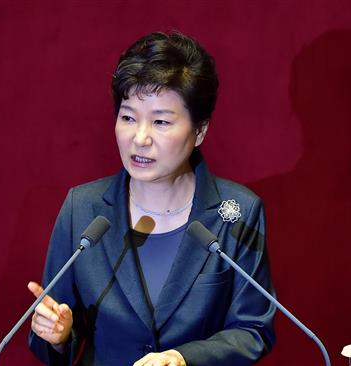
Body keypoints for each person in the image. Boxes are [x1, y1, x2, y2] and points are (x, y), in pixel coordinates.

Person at [27, 31, 276, 366]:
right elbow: (56, 334)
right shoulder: (82, 209)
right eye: (128, 117)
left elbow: (254, 329)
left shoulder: (239, 212)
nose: (139, 139)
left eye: (160, 121)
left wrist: (184, 359)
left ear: (199, 130)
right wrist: (56, 335)